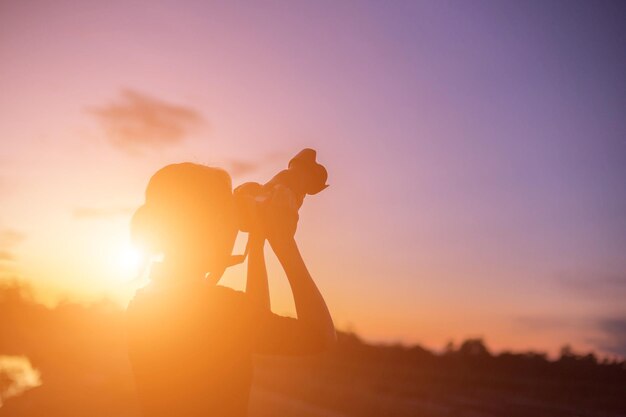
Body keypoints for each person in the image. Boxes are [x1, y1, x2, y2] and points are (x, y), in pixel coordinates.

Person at [125, 162, 335, 417]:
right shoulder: (215, 307)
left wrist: (256, 243)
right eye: (230, 216)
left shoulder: (146, 301)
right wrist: (284, 242)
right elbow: (319, 336)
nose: (235, 228)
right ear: (209, 226)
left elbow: (251, 320)